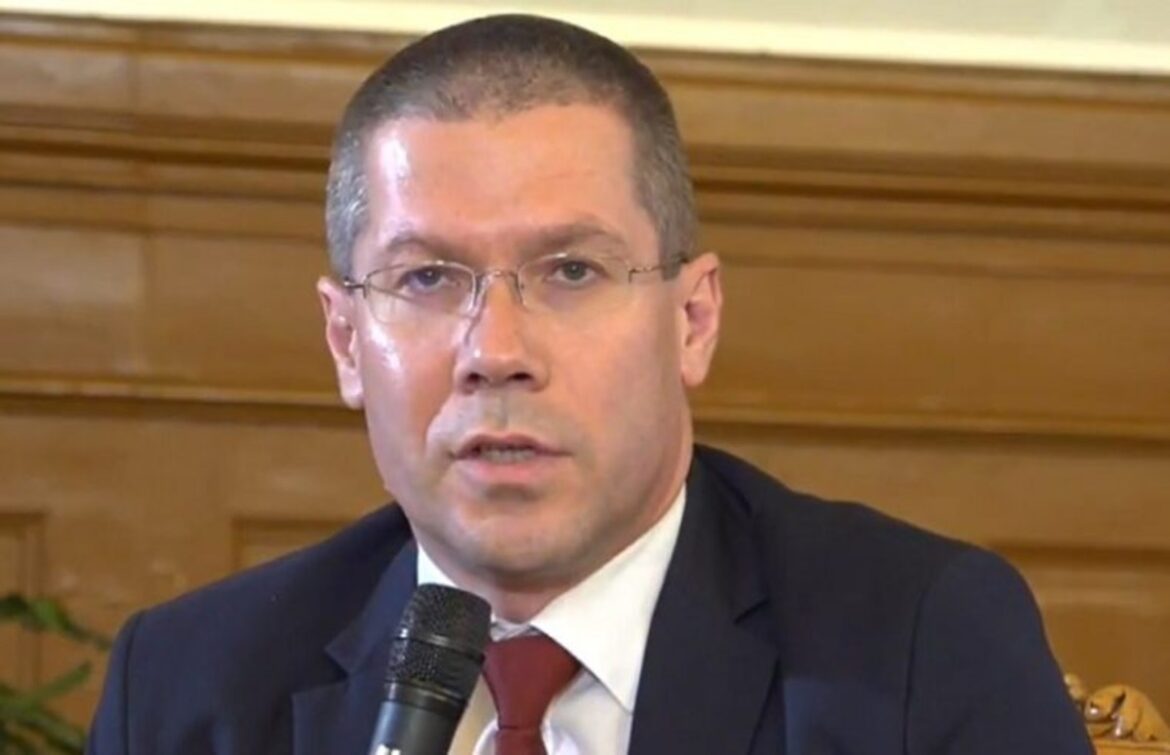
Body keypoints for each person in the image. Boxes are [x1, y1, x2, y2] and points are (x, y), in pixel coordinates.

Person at [86, 13, 1093, 755]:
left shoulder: (915, 645)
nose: (496, 350)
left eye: (571, 270)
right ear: (346, 341)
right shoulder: (192, 687)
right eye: (427, 278)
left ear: (692, 320)